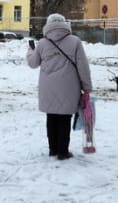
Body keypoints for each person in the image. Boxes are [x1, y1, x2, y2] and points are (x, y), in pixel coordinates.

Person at [26, 13, 92, 160]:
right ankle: (63, 151)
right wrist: (87, 88)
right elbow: (83, 67)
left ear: (48, 25)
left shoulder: (43, 43)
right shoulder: (75, 41)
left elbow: (33, 63)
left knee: (51, 117)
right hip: (69, 87)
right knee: (64, 119)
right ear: (65, 24)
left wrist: (30, 51)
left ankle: (53, 149)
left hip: (48, 87)